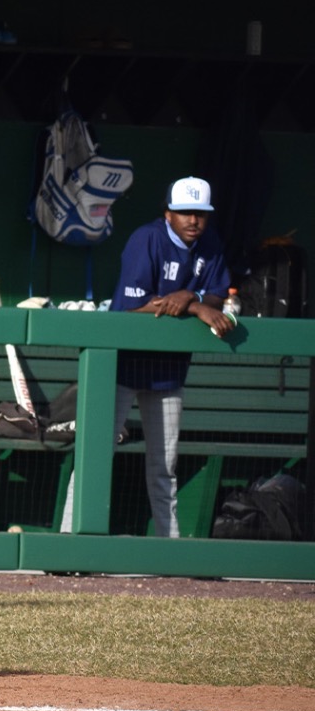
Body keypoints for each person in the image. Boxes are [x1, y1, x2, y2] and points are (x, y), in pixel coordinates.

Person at [62, 177, 232, 537]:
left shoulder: (210, 243)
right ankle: (68, 539)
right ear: (168, 213)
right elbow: (136, 308)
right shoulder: (147, 239)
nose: (193, 221)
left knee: (164, 466)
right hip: (121, 362)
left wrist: (190, 298)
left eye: (200, 213)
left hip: (168, 368)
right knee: (96, 455)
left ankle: (168, 548)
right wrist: (191, 304)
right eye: (185, 212)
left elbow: (218, 294)